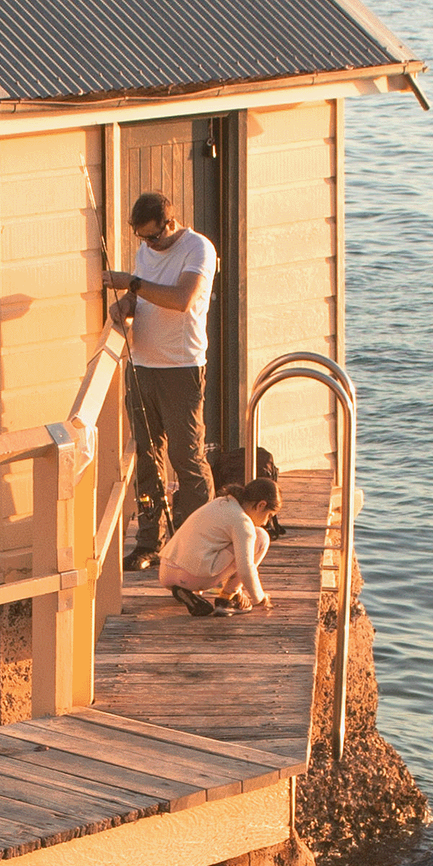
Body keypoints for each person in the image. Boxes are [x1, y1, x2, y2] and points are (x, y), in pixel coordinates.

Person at [106, 189, 218, 566]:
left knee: (185, 456)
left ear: (171, 223)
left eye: (154, 237)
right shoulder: (144, 251)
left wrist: (131, 284)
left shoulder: (198, 249)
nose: (149, 245)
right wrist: (124, 305)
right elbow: (140, 299)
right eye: (142, 239)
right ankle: (148, 541)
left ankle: (201, 541)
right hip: (142, 366)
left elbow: (181, 299)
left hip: (181, 368)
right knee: (146, 457)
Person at [159, 474, 279, 618]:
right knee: (261, 537)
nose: (266, 522)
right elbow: (245, 568)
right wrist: (259, 598)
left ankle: (186, 592)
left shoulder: (221, 502)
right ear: (261, 505)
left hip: (166, 572)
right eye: (269, 516)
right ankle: (227, 598)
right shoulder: (242, 522)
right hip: (193, 576)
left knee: (225, 541)